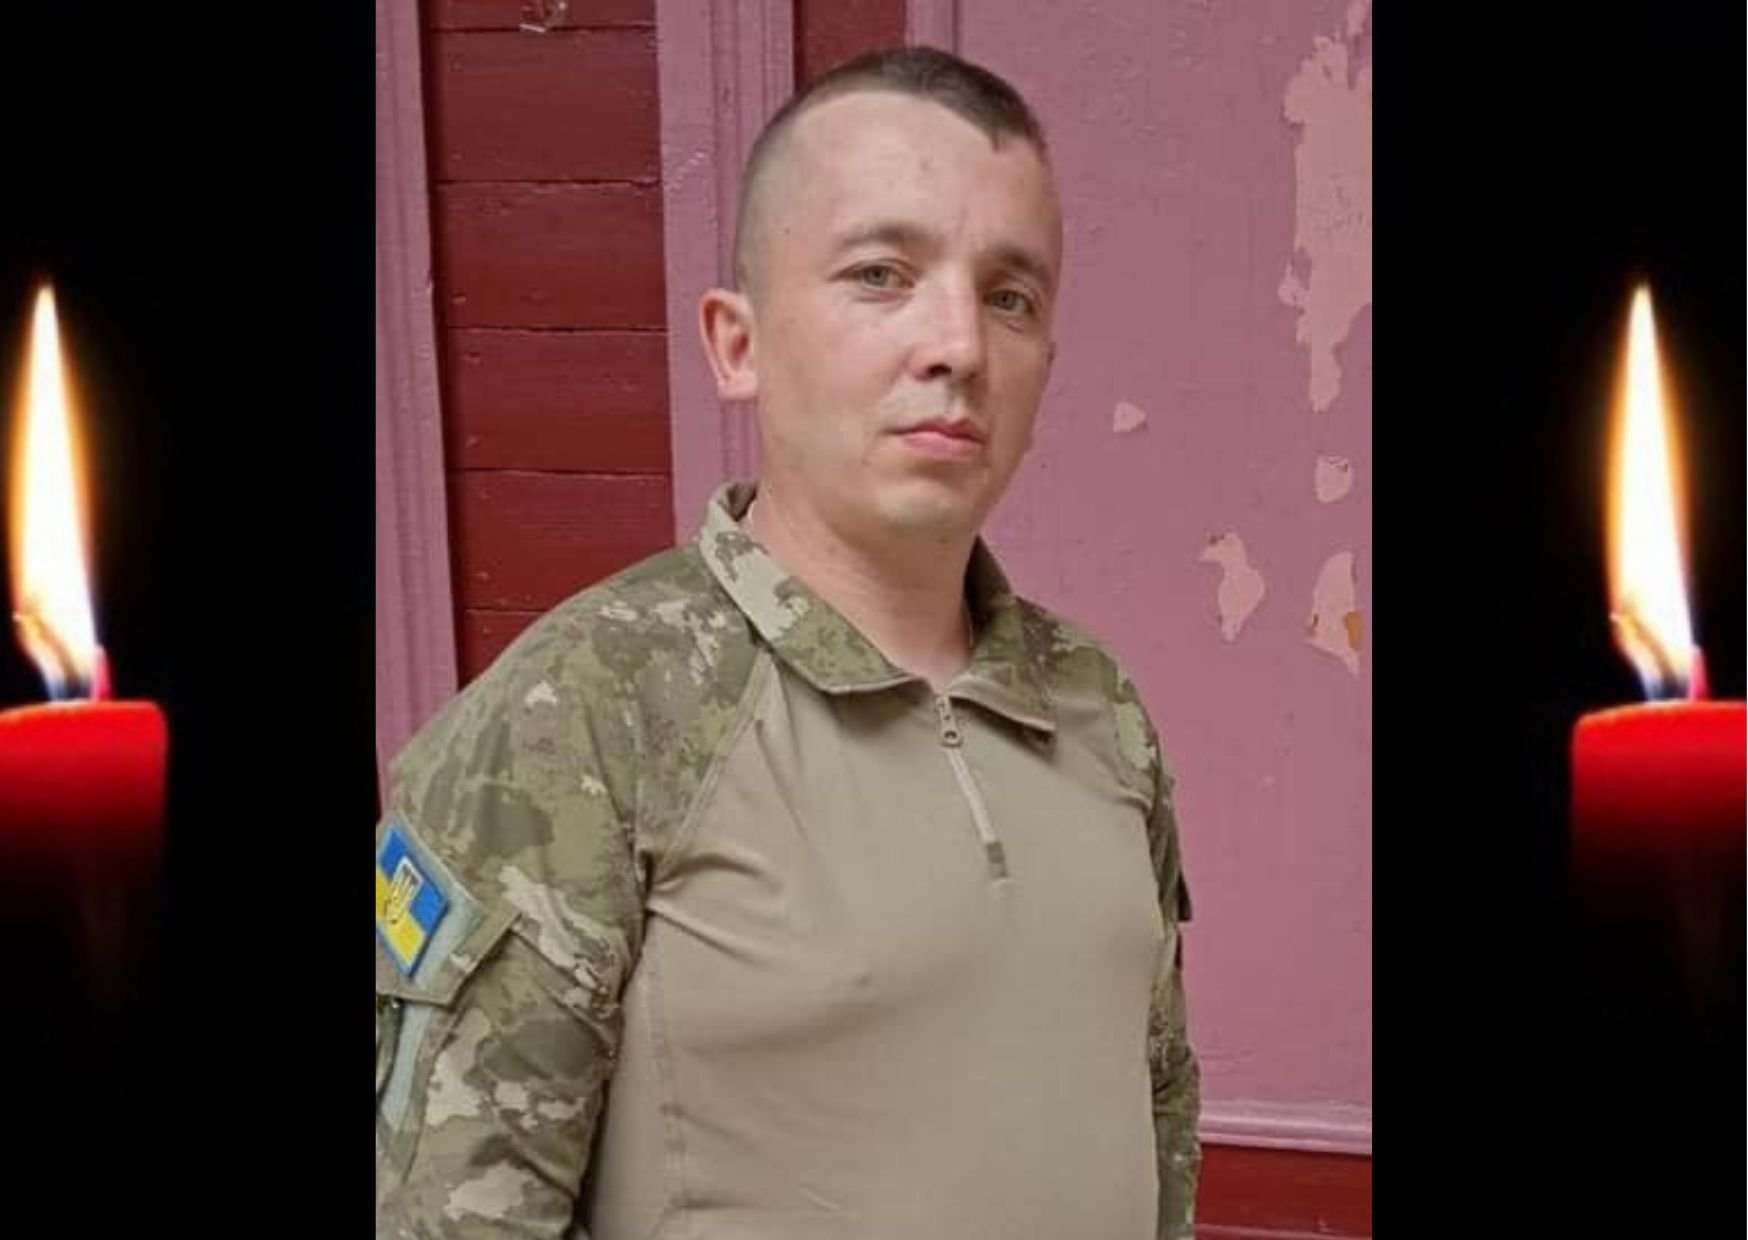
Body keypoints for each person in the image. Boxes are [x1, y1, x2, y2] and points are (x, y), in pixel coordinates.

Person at [375, 45, 1200, 1240]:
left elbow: (1158, 1100)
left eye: (1009, 296)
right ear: (738, 343)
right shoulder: (584, 714)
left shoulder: (1096, 705)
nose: (958, 346)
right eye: (880, 274)